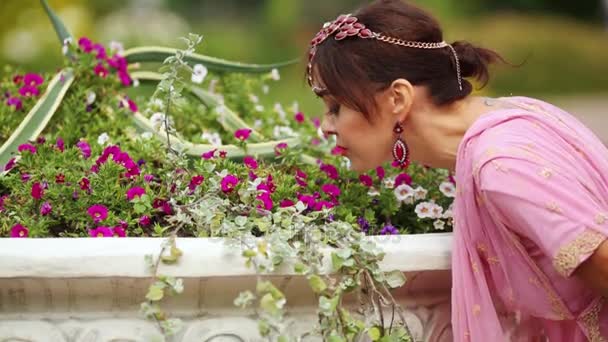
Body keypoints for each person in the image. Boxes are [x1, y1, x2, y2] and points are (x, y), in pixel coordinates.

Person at [307, 0, 608, 340]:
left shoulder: (501, 167)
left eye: (335, 106)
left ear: (397, 99)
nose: (326, 127)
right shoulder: (512, 114)